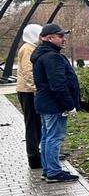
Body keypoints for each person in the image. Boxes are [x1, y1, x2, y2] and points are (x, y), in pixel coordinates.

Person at [31, 23, 81, 183]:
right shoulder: (52, 57)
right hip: (54, 104)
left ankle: (48, 170)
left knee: (47, 137)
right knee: (54, 137)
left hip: (45, 103)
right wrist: (69, 105)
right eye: (60, 36)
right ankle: (53, 172)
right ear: (48, 38)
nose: (63, 39)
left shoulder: (42, 54)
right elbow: (58, 84)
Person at [16, 23, 43, 169]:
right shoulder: (27, 49)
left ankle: (37, 152)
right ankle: (33, 156)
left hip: (29, 90)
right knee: (32, 124)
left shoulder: (31, 48)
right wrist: (36, 89)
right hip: (28, 92)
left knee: (36, 123)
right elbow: (28, 72)